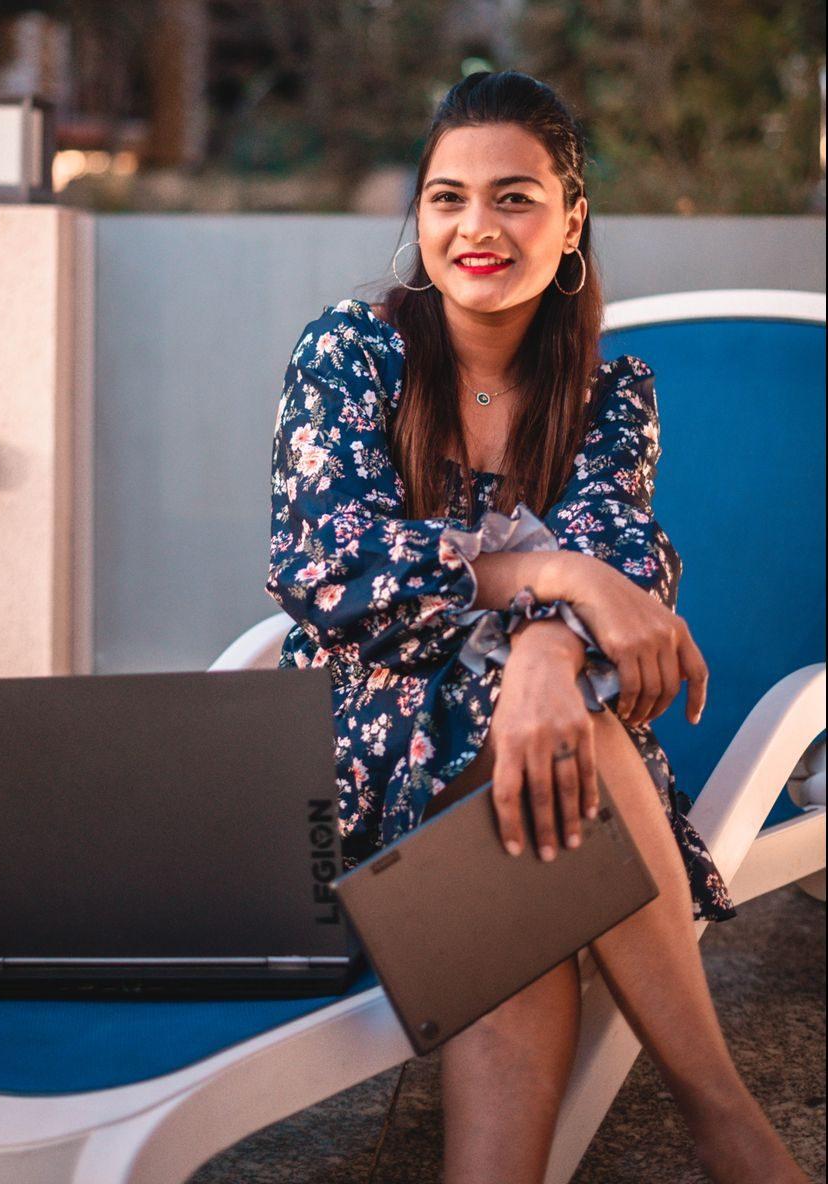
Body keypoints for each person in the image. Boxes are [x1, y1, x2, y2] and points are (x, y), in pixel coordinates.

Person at [265, 70, 809, 1184]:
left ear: (570, 224)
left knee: (535, 817)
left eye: (514, 197)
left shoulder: (611, 393)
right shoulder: (351, 353)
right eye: (446, 197)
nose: (477, 226)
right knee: (564, 744)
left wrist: (552, 651)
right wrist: (554, 582)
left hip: (536, 759)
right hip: (347, 755)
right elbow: (328, 570)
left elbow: (628, 558)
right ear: (419, 220)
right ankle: (726, 1120)